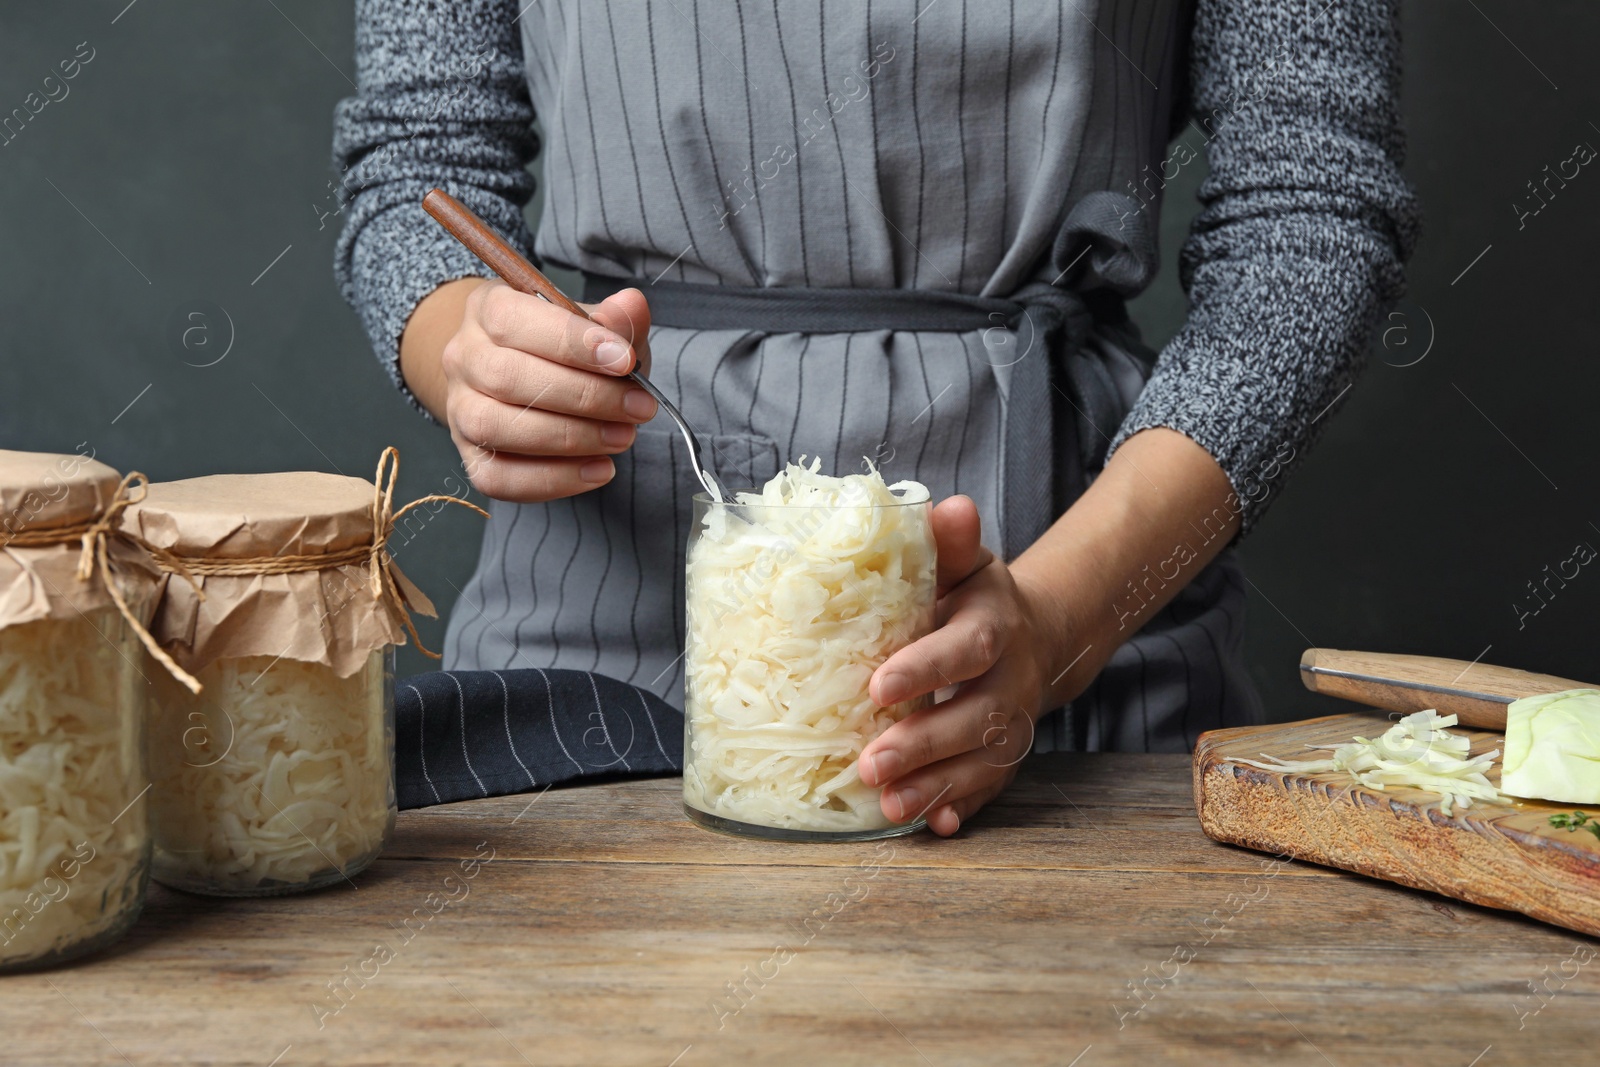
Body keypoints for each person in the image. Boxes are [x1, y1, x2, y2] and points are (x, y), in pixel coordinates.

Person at [334, 0, 1419, 836]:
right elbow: (418, 167)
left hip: (1082, 596)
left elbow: (1307, 214)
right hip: (581, 636)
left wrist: (1052, 627)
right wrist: (463, 348)